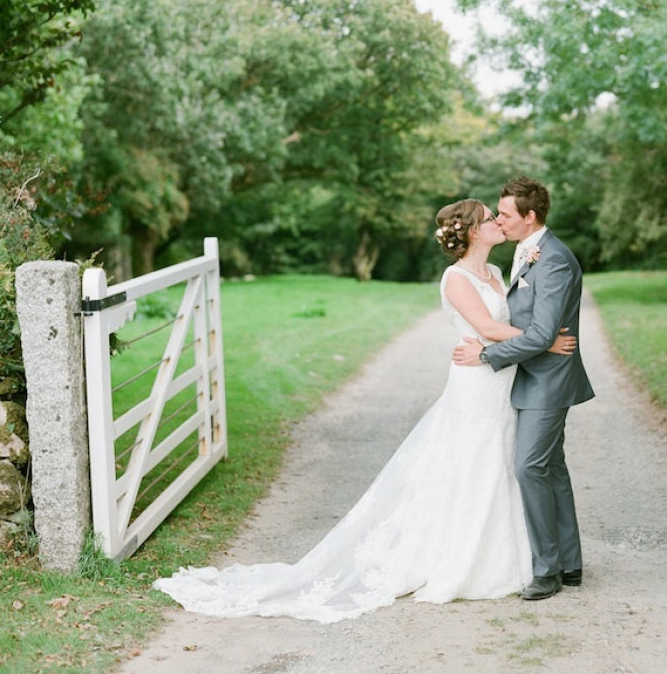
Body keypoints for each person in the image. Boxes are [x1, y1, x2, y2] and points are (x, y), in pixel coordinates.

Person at [152, 199, 576, 621]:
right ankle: (463, 559)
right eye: (489, 218)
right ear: (471, 232)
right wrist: (542, 339)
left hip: (501, 382)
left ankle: (511, 557)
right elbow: (484, 328)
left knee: (500, 463)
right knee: (472, 463)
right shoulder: (456, 278)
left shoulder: (499, 273)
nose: (498, 223)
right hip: (475, 382)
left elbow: (499, 327)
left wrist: (519, 341)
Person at [453, 176, 594, 601]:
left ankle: (547, 570)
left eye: (507, 214)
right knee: (550, 467)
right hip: (534, 377)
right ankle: (569, 564)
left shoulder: (552, 260)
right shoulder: (526, 252)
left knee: (529, 467)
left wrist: (486, 356)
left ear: (530, 217)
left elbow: (541, 334)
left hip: (548, 379)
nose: (500, 219)